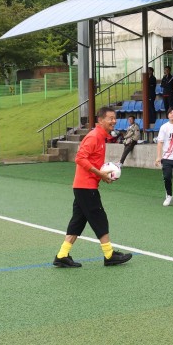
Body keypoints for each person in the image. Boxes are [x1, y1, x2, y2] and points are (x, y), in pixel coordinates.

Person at [52, 106, 133, 268]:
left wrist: (102, 176)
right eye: (110, 118)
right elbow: (80, 158)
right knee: (99, 218)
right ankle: (109, 255)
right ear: (100, 120)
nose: (114, 121)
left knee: (78, 221)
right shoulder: (94, 137)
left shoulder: (100, 137)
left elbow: (91, 162)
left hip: (85, 186)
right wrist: (100, 174)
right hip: (86, 187)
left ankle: (62, 255)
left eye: (114, 118)